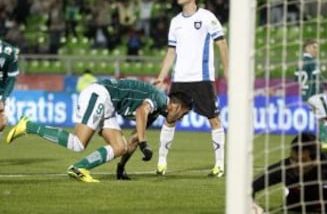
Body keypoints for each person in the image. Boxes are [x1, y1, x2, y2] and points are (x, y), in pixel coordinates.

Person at [6, 78, 193, 183]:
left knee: (120, 147)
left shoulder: (156, 112)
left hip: (109, 105)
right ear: (176, 107)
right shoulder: (160, 99)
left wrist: (121, 167)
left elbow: (134, 140)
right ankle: (29, 125)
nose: (181, 119)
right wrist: (145, 143)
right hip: (101, 94)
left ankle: (80, 168)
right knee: (78, 143)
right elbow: (140, 111)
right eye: (183, 114)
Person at [153, 0, 229, 177]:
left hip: (202, 78)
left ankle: (219, 164)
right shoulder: (175, 22)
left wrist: (228, 70)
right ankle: (161, 162)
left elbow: (221, 44)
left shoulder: (207, 18)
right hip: (180, 79)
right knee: (170, 117)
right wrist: (162, 77)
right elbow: (171, 52)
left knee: (214, 119)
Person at [253, 132, 327, 213]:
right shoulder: (285, 168)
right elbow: (252, 187)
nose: (295, 164)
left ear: (316, 160)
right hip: (300, 204)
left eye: (302, 160)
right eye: (293, 159)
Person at [294, 39, 327, 154]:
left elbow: (296, 79)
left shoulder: (300, 62)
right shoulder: (311, 61)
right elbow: (317, 76)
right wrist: (326, 83)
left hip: (306, 97)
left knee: (320, 119)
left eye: (317, 47)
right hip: (316, 94)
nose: (316, 50)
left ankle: (324, 144)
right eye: (314, 47)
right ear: (307, 48)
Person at [0, 40, 19, 139]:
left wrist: (3, 99)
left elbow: (12, 78)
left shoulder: (9, 51)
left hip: (1, 92)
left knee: (2, 122)